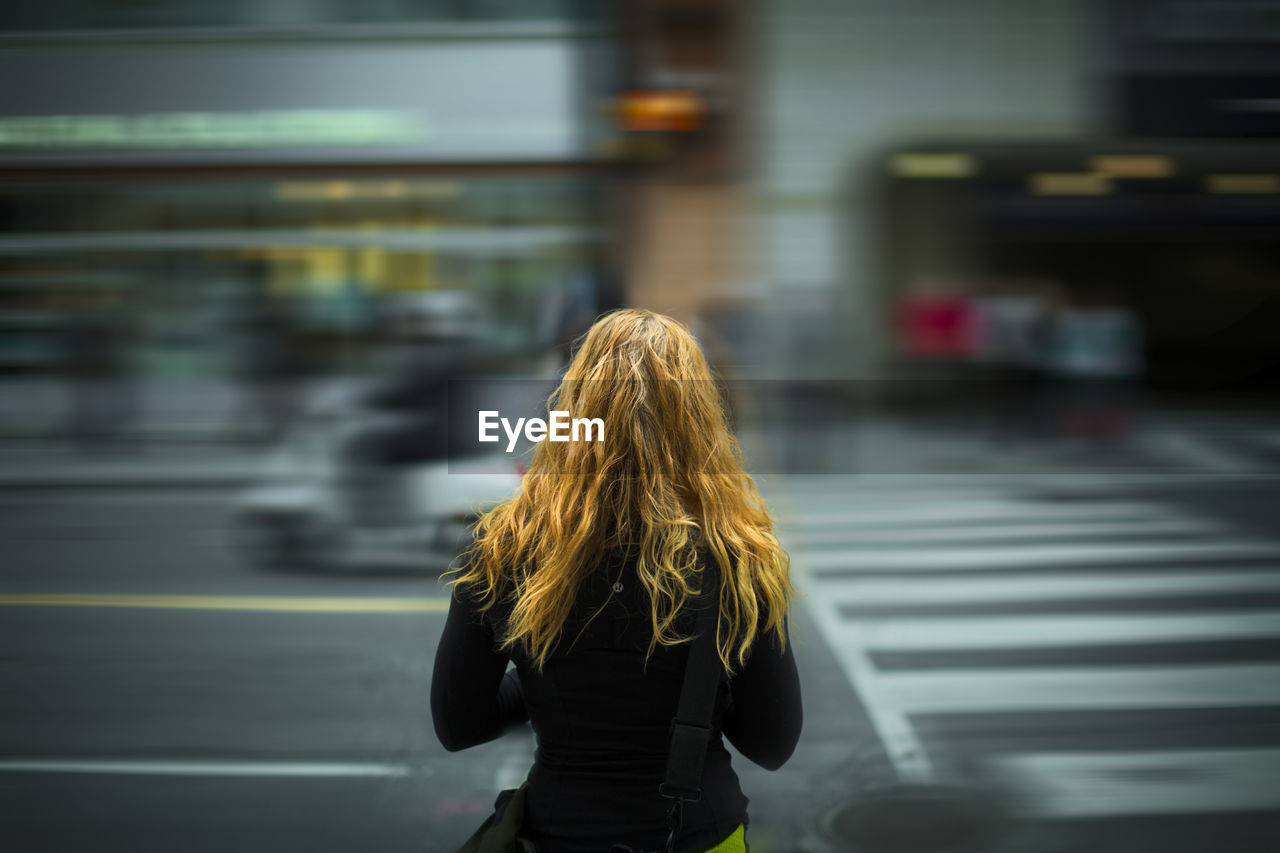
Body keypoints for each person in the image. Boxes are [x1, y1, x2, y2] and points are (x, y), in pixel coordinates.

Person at [431, 309, 803, 853]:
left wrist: (544, 685)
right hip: (699, 836)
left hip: (557, 835)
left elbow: (459, 723)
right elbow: (772, 744)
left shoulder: (505, 546)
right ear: (700, 420)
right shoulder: (737, 556)